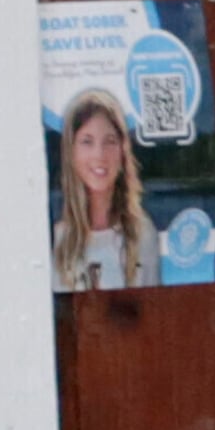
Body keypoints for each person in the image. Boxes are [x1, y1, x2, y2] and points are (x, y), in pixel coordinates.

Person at [50, 87, 155, 293]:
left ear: (122, 151)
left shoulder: (143, 235)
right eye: (87, 142)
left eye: (110, 141)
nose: (99, 154)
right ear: (71, 152)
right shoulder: (55, 240)